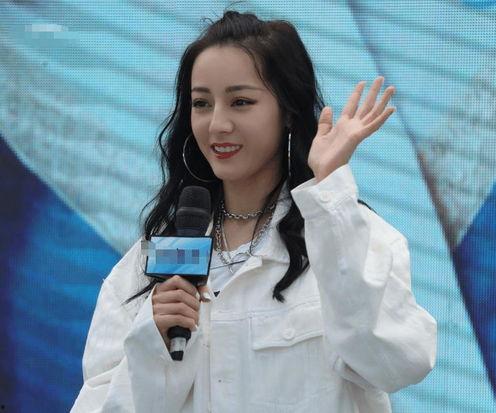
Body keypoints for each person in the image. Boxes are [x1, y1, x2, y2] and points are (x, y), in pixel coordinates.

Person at [71, 10, 436, 413]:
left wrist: (329, 191)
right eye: (201, 103)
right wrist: (152, 343)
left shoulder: (349, 233)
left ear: (288, 110)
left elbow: (398, 363)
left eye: (241, 102)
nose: (217, 124)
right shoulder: (151, 263)